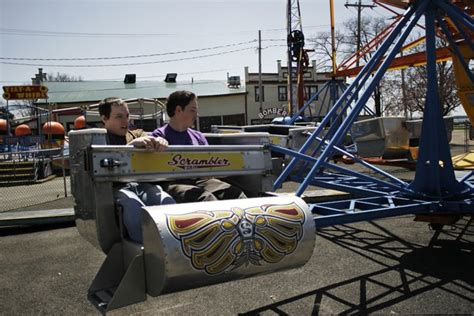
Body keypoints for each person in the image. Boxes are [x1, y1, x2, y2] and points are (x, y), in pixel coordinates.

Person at [99, 97, 175, 243]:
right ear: (104, 118)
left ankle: (172, 244)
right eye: (119, 117)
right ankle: (144, 249)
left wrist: (159, 142)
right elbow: (102, 163)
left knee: (166, 201)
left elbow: (151, 141)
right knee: (132, 204)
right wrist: (131, 147)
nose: (125, 121)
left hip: (141, 185)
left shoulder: (138, 134)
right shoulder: (99, 138)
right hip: (114, 187)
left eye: (127, 116)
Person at [152, 90, 247, 203]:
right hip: (173, 182)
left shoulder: (198, 136)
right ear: (178, 110)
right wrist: (158, 143)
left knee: (234, 193)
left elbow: (210, 164)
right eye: (192, 110)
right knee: (206, 198)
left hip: (201, 180)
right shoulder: (160, 136)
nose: (196, 115)